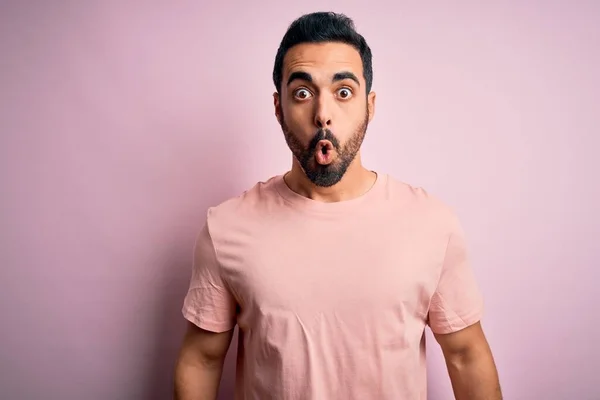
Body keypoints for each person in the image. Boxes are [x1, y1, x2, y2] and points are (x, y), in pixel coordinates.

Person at [174, 11, 502, 400]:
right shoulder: (225, 228)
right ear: (278, 108)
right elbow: (202, 360)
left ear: (370, 105)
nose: (323, 114)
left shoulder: (431, 224)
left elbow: (466, 355)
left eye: (343, 92)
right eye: (302, 93)